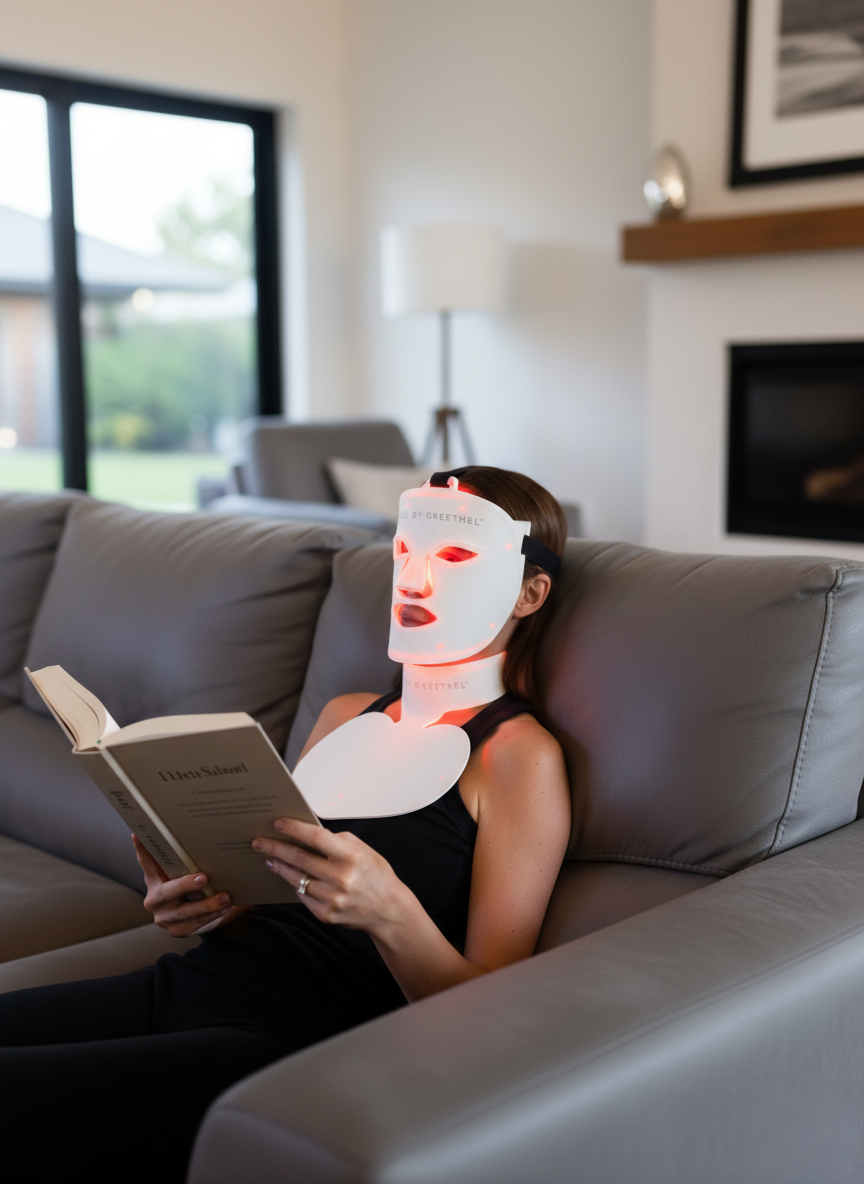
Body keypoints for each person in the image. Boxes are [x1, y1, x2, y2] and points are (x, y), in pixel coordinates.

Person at [0, 466, 571, 1184]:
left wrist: (392, 914)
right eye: (405, 552)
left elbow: (494, 1018)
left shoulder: (519, 759)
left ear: (529, 593)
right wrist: (200, 903)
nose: (415, 581)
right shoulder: (344, 713)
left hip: (285, 1038)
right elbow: (272, 883)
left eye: (454, 557)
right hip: (187, 980)